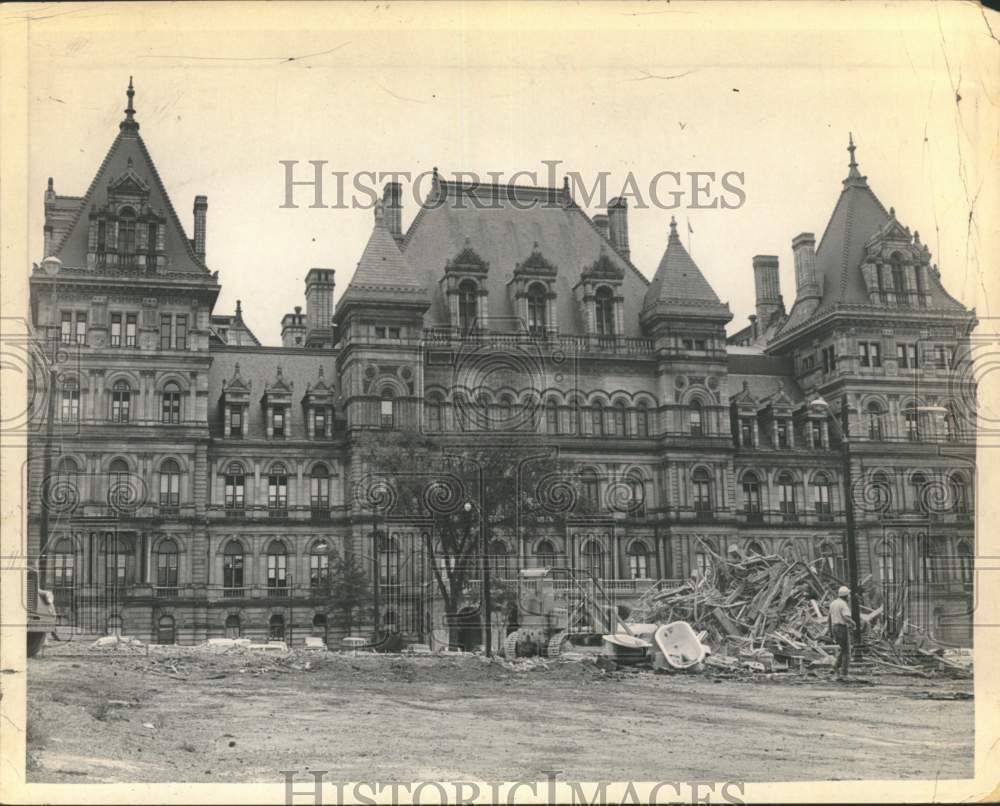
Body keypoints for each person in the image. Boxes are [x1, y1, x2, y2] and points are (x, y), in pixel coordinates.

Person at [829, 585, 857, 679]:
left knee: (843, 648)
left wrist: (830, 631)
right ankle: (844, 673)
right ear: (846, 596)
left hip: (834, 627)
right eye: (848, 595)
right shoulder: (843, 604)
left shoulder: (833, 603)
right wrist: (853, 623)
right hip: (841, 628)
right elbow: (846, 617)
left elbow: (829, 618)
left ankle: (836, 665)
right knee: (846, 651)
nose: (849, 596)